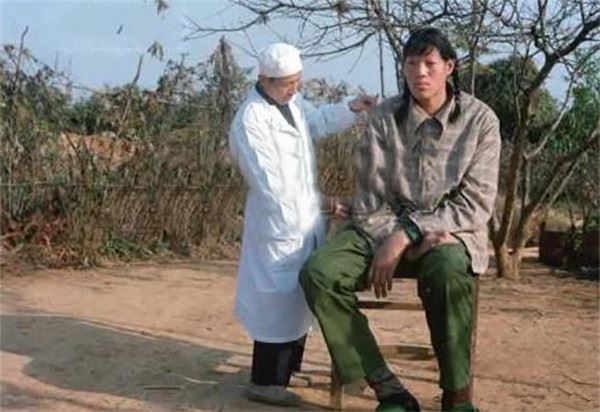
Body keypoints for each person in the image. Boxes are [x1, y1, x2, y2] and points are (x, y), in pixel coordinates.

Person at [300, 27, 501, 412]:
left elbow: (475, 203)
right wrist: (397, 236)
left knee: (448, 270)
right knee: (320, 272)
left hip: (447, 235)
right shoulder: (383, 118)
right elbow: (370, 197)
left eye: (429, 63)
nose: (420, 72)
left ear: (449, 67)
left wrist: (410, 233)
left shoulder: (481, 121)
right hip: (379, 228)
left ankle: (457, 397)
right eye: (411, 63)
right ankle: (388, 389)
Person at [228, 42, 376, 407]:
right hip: (277, 220)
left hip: (303, 219)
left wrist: (353, 108)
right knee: (276, 303)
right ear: (265, 79)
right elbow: (273, 185)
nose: (294, 89)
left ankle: (287, 372)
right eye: (287, 83)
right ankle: (264, 381)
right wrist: (326, 203)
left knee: (298, 298)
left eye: (297, 81)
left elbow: (316, 121)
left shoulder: (289, 103)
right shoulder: (251, 121)